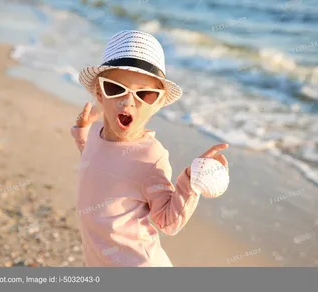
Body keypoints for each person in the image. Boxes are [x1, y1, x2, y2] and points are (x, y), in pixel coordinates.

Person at [70, 30, 228, 267]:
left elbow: (168, 222)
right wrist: (81, 128)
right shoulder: (95, 133)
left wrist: (191, 182)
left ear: (157, 104)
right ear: (100, 95)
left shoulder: (150, 157)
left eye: (144, 94)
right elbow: (94, 158)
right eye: (116, 89)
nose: (129, 101)